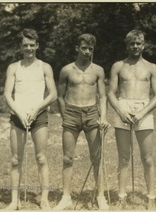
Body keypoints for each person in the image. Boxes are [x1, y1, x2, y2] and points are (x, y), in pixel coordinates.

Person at [3, 28, 58, 210]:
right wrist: (19, 112)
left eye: (32, 45)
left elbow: (53, 95)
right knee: (15, 160)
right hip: (18, 116)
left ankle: (44, 199)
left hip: (39, 116)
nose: (28, 49)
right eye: (25, 45)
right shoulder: (13, 67)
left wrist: (36, 111)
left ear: (37, 46)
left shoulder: (45, 67)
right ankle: (14, 201)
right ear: (21, 46)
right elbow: (7, 95)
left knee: (41, 158)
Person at [107, 29, 156, 210]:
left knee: (147, 158)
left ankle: (151, 197)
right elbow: (111, 93)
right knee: (123, 157)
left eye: (138, 43)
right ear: (127, 45)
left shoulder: (151, 67)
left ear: (143, 45)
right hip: (123, 107)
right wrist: (121, 110)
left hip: (143, 110)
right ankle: (122, 196)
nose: (135, 46)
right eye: (132, 43)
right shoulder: (118, 66)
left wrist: (142, 112)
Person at [55, 33, 110, 210]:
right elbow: (60, 97)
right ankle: (66, 197)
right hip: (71, 113)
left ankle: (101, 196)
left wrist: (103, 117)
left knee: (97, 157)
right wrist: (66, 117)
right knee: (68, 157)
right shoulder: (66, 70)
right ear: (77, 49)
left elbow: (102, 96)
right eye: (84, 48)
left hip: (92, 113)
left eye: (90, 49)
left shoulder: (98, 70)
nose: (87, 52)